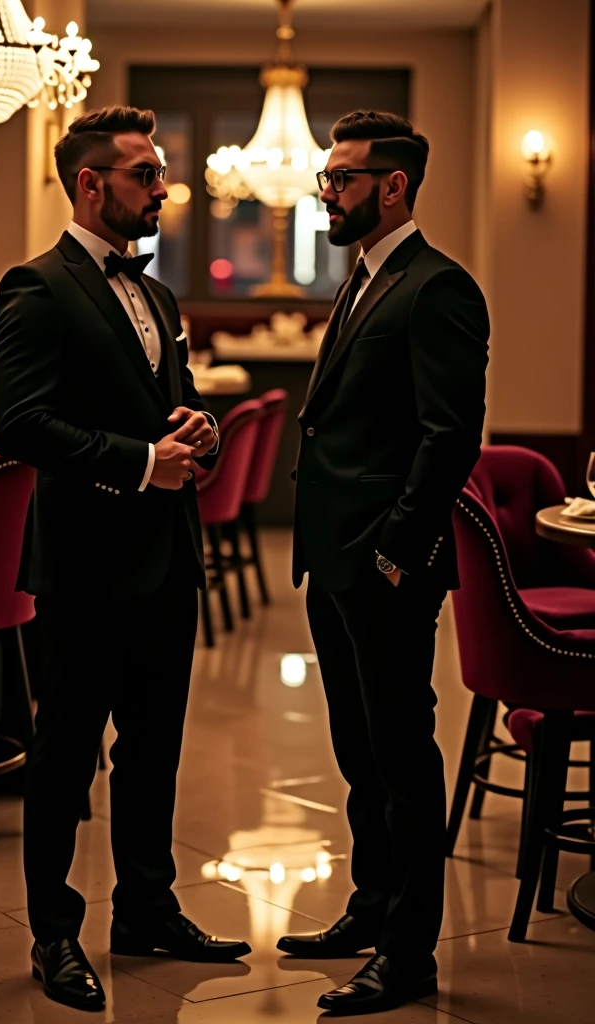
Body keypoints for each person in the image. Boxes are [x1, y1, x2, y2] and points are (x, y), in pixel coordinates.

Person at [0, 105, 251, 1014]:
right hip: (85, 562)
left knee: (154, 750)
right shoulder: (35, 286)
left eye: (161, 170)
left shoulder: (159, 294)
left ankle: (145, 907)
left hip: (166, 561)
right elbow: (17, 424)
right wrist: (141, 463)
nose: (164, 187)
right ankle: (54, 932)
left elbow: (167, 405)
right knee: (65, 759)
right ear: (91, 183)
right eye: (145, 173)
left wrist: (197, 427)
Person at [277, 110, 489, 1015]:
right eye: (329, 176)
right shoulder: (364, 277)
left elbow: (449, 438)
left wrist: (399, 550)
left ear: (393, 186)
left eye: (342, 177)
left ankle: (409, 956)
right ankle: (369, 908)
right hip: (335, 559)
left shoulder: (438, 287)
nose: (325, 189)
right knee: (358, 753)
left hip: (385, 563)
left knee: (402, 758)